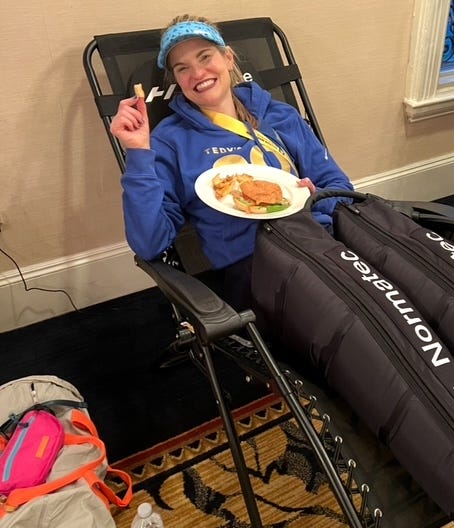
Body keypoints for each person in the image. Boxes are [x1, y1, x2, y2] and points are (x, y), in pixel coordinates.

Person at [110, 14, 353, 310]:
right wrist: (138, 152)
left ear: (228, 58)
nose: (197, 73)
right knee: (348, 317)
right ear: (176, 80)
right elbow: (150, 242)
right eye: (183, 68)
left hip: (321, 241)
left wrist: (314, 199)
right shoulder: (170, 141)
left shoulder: (280, 116)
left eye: (205, 57)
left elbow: (339, 187)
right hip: (255, 268)